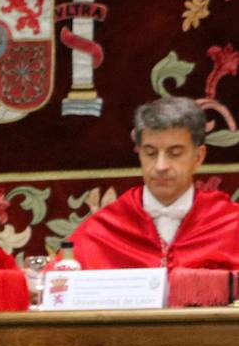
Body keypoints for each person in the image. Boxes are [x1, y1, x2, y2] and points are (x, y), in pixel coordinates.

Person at [73, 96, 239, 269]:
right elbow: (57, 287)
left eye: (174, 153)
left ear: (198, 157)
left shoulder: (232, 224)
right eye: (150, 153)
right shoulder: (101, 230)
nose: (161, 166)